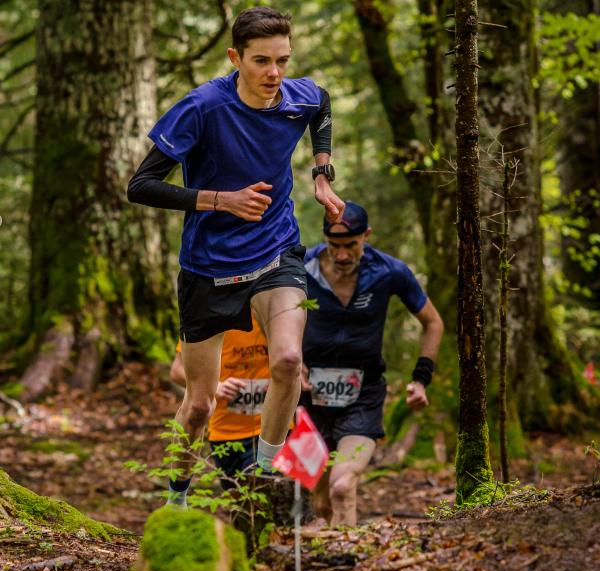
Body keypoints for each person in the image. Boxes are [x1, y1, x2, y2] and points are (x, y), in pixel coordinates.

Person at [127, 7, 344, 507]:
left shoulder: (297, 96)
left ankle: (263, 479)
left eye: (283, 61)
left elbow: (323, 105)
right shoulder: (203, 107)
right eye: (262, 62)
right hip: (209, 265)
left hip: (276, 250)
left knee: (288, 360)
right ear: (235, 57)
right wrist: (221, 199)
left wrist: (321, 172)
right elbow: (141, 186)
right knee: (200, 403)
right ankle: (177, 497)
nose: (274, 74)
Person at [300, 201, 444, 527]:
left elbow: (433, 323)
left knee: (341, 486)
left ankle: (347, 559)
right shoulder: (301, 266)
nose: (341, 255)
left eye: (350, 245)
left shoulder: (389, 271)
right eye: (334, 245)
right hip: (308, 398)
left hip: (363, 396)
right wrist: (289, 361)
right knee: (320, 500)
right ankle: (332, 567)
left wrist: (421, 379)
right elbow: (268, 315)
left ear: (366, 236)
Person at [170, 312, 275, 482]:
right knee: (237, 501)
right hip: (225, 432)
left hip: (270, 430)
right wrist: (216, 386)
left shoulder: (272, 313)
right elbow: (177, 370)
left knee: (263, 492)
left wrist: (279, 384)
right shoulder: (212, 314)